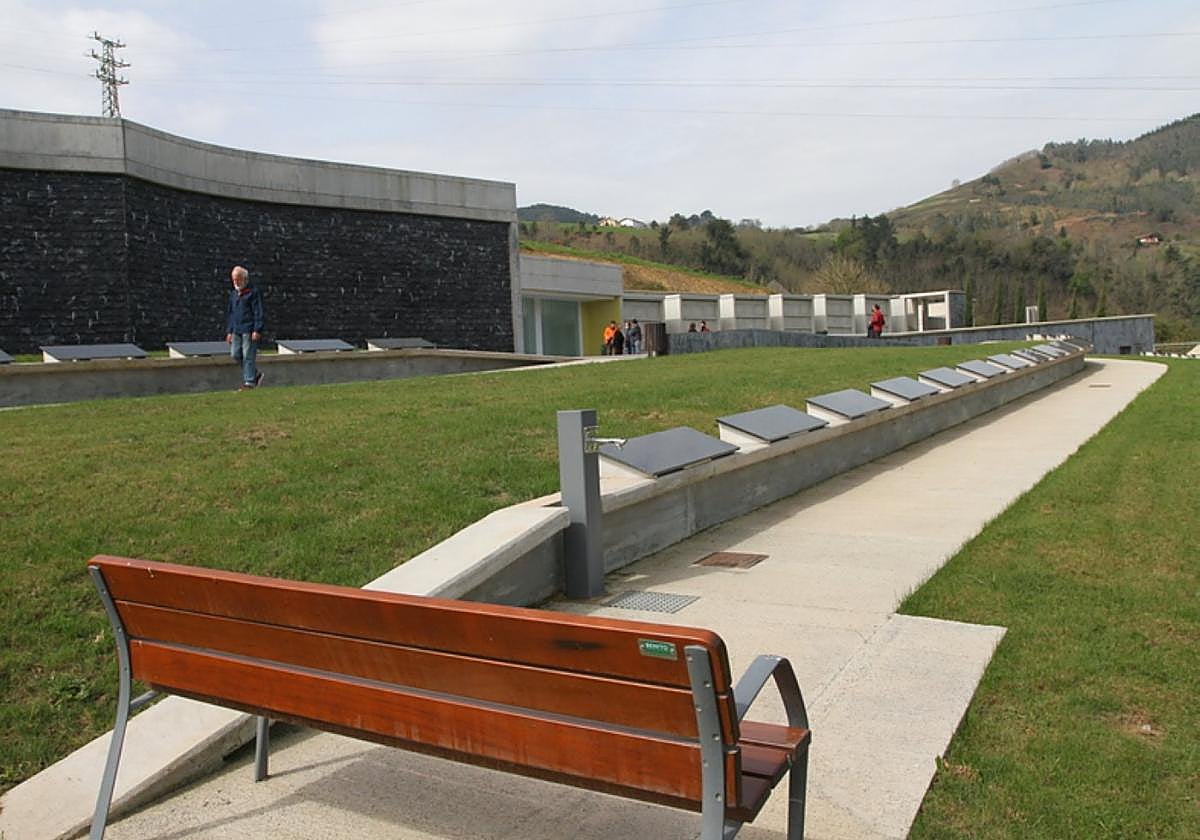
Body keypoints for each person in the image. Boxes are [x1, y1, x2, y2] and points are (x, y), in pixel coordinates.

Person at [226, 265, 265, 390]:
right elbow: (231, 313)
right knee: (235, 354)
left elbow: (258, 312)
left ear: (244, 279)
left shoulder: (253, 293)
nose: (235, 282)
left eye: (238, 279)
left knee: (248, 355)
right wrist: (229, 331)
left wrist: (257, 329)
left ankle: (249, 382)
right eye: (234, 279)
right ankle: (255, 374)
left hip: (249, 328)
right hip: (236, 329)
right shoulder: (233, 294)